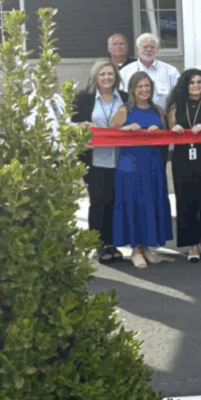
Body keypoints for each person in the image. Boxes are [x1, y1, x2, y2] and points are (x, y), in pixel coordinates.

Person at [109, 72, 172, 269]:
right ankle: (135, 249)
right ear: (132, 89)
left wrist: (158, 133)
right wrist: (127, 129)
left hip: (153, 163)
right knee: (134, 204)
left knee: (150, 203)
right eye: (140, 87)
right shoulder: (124, 110)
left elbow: (167, 135)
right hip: (130, 165)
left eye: (147, 86)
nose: (144, 90)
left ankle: (145, 247)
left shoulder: (158, 110)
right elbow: (110, 134)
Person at [73, 57, 126, 263]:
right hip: (94, 159)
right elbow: (70, 124)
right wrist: (78, 127)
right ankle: (98, 245)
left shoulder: (124, 97)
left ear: (116, 77)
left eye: (110, 74)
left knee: (114, 201)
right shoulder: (82, 99)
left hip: (119, 159)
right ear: (95, 77)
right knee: (98, 202)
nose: (106, 78)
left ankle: (112, 243)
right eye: (102, 74)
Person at [166, 68, 201, 263]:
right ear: (185, 85)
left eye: (199, 82)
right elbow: (169, 127)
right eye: (192, 82)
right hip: (182, 157)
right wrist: (175, 129)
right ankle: (192, 246)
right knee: (186, 200)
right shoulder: (175, 105)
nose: (196, 86)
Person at [119, 33, 180, 110]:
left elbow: (178, 97)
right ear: (137, 50)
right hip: (133, 118)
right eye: (145, 47)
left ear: (157, 50)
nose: (149, 50)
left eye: (152, 47)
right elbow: (120, 99)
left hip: (163, 118)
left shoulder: (171, 71)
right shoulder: (125, 72)